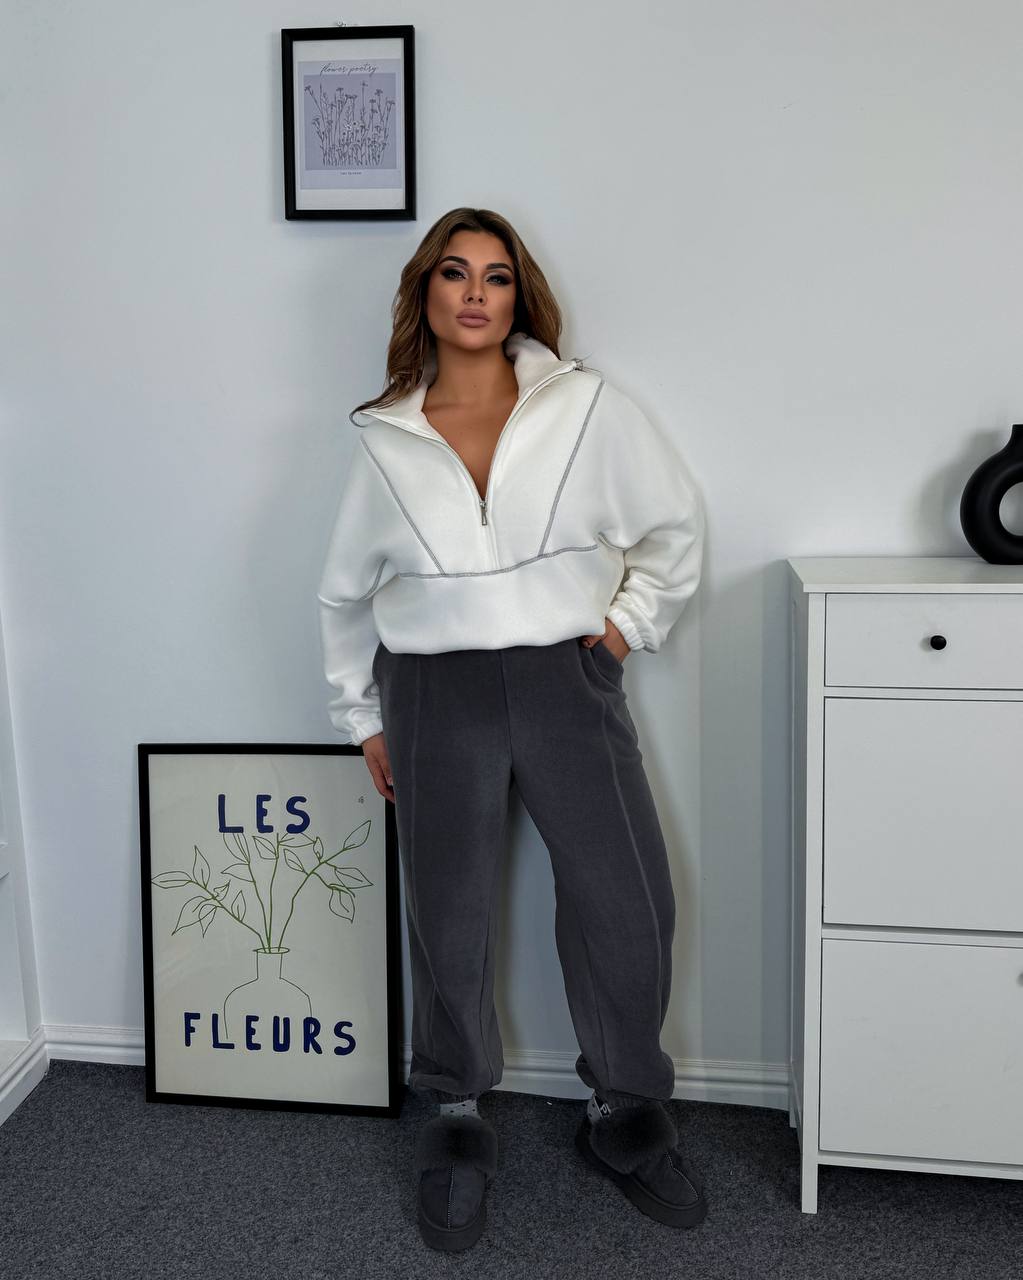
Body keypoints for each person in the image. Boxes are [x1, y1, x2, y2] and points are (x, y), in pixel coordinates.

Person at [316, 207, 707, 1252]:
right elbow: (343, 594)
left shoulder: (587, 407)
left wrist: (620, 634)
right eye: (455, 273)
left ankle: (626, 1108)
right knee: (446, 911)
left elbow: (672, 530)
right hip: (431, 691)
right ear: (427, 293)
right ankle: (454, 1113)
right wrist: (362, 717)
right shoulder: (385, 436)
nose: (475, 293)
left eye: (495, 276)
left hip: (564, 680)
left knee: (627, 902)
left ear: (518, 296)